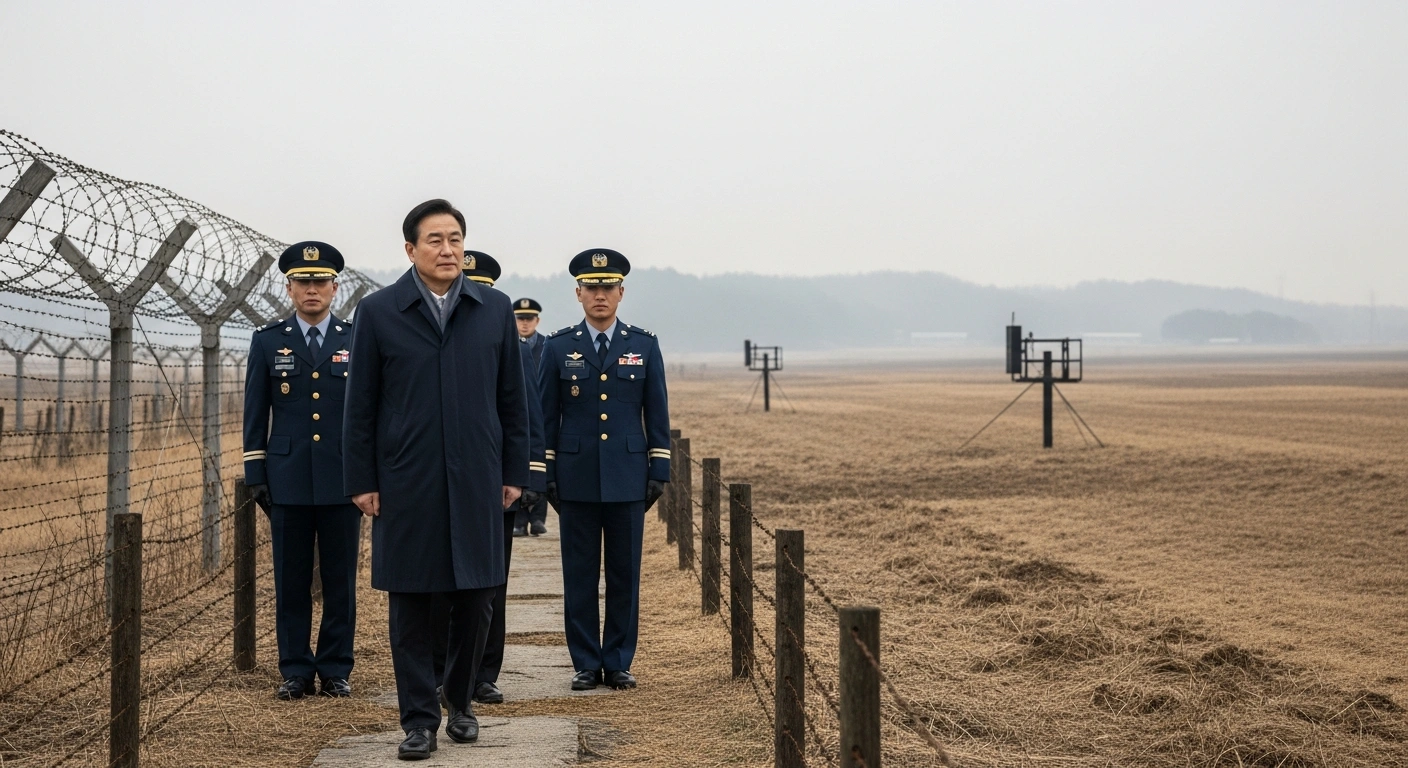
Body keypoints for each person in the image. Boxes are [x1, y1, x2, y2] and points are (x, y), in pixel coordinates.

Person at [342, 200, 530, 760]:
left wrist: (514, 471)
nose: (448, 250)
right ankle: (419, 720)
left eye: (456, 239)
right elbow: (361, 407)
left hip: (478, 475)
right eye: (435, 240)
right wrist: (363, 480)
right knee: (413, 602)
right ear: (410, 250)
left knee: (475, 595)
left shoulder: (492, 308)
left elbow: (512, 399)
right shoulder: (378, 313)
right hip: (408, 478)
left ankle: (462, 703)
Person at [539, 248, 669, 691]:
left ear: (621, 292)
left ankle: (617, 661)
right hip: (574, 479)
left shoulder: (644, 345)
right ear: (578, 293)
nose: (600, 296)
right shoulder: (557, 347)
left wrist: (659, 468)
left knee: (624, 575)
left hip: (628, 476)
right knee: (578, 574)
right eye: (591, 288)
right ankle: (584, 663)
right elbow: (545, 417)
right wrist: (546, 474)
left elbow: (658, 413)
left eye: (607, 288)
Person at [241, 241, 360, 701]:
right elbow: (256, 413)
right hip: (287, 477)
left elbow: (367, 412)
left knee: (339, 582)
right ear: (288, 287)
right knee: (290, 581)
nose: (311, 290)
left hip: (342, 479)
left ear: (334, 287)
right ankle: (294, 669)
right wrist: (257, 474)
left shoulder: (354, 338)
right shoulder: (269, 340)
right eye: (302, 282)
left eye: (320, 282)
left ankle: (335, 669)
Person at [429, 251, 547, 706]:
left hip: (492, 482)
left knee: (490, 581)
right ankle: (442, 671)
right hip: (442, 481)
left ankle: (484, 672)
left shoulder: (509, 344)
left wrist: (524, 476)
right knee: (439, 581)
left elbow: (525, 416)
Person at [511, 297, 549, 537]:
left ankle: (537, 518)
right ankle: (519, 519)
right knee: (517, 464)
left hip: (541, 412)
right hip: (515, 412)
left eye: (529, 319)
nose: (524, 324)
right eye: (520, 319)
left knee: (540, 463)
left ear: (537, 320)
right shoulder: (508, 345)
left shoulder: (547, 346)